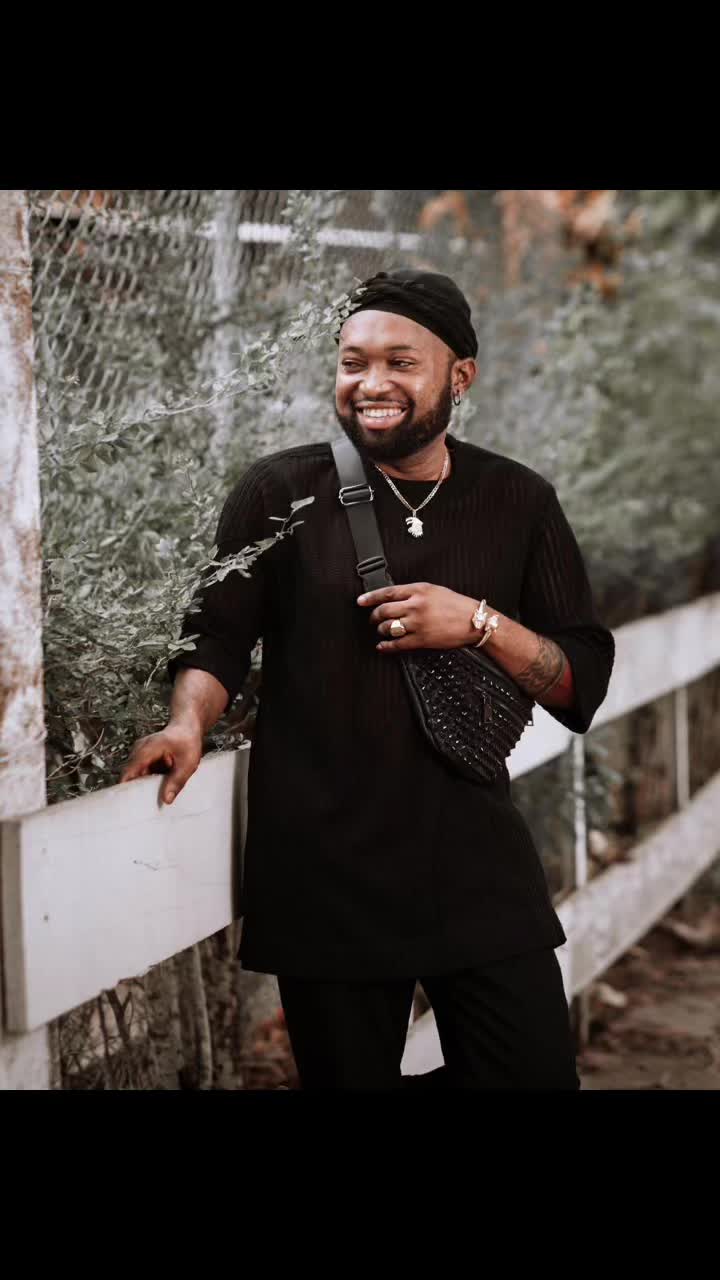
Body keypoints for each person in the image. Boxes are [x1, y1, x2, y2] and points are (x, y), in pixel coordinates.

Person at [120, 268, 615, 1090]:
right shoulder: (280, 491)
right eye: (353, 363)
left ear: (460, 376)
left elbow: (581, 684)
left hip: (476, 864)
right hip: (326, 869)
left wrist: (479, 622)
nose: (371, 383)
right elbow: (217, 639)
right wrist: (186, 723)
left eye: (400, 363)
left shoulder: (518, 500)